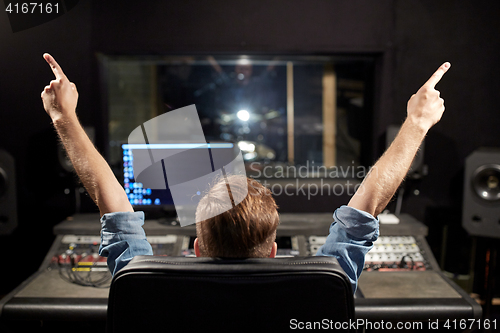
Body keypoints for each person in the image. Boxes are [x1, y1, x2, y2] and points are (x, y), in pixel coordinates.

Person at [41, 53, 450, 293]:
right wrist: (416, 124)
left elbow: (109, 200)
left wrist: (65, 119)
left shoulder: (143, 281)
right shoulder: (326, 281)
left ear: (196, 249)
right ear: (275, 251)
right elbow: (370, 203)